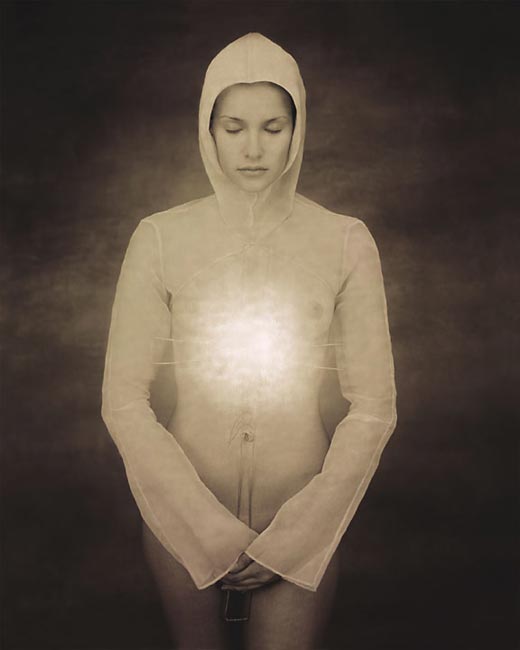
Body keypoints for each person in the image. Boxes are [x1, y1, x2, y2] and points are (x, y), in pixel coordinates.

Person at [101, 32, 397, 650]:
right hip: (181, 520)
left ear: (298, 129)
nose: (254, 148)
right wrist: (206, 528)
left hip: (301, 518)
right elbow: (123, 401)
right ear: (207, 130)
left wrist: (300, 535)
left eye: (273, 127)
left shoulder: (345, 241)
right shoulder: (160, 238)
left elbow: (374, 407)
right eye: (234, 127)